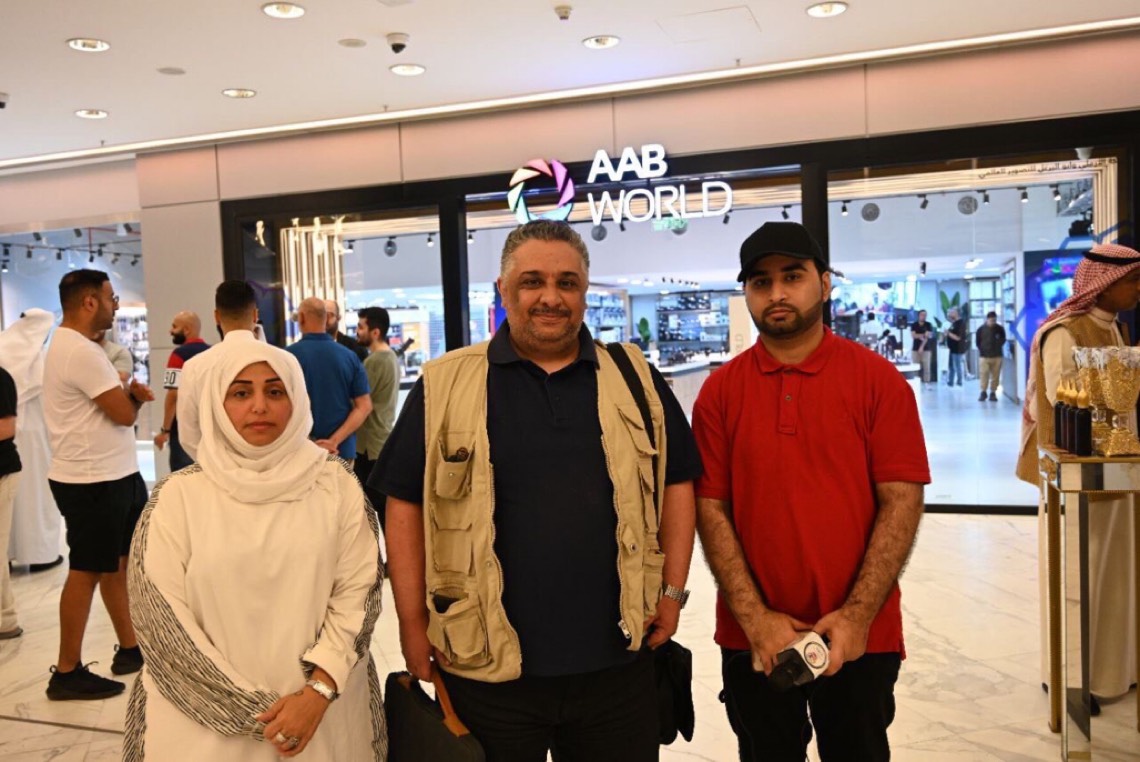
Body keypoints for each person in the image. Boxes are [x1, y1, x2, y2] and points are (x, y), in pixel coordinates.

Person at [371, 220, 701, 762]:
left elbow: (677, 482)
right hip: (485, 667)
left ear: (584, 292)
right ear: (503, 290)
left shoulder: (634, 378)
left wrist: (672, 593)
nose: (551, 297)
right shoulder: (445, 384)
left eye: (567, 282)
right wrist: (411, 623)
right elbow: (403, 504)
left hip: (619, 664)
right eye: (532, 282)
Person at [692, 221, 929, 762]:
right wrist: (756, 620)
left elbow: (902, 501)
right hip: (753, 637)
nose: (776, 293)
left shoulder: (879, 382)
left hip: (862, 633)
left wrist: (855, 616)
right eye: (760, 281)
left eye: (792, 276)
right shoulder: (719, 392)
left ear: (824, 284)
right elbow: (711, 509)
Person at [124, 341, 387, 760]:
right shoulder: (179, 497)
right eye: (241, 392)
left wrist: (317, 693)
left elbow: (358, 594)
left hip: (323, 718)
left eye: (275, 391)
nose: (260, 406)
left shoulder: (335, 485)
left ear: (296, 398)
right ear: (216, 403)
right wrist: (262, 715)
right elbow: (161, 620)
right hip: (202, 732)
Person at [1016, 242, 1139, 707]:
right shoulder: (1064, 332)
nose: (1138, 289)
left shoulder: (1117, 329)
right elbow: (1063, 398)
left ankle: (1113, 672)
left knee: (1117, 575)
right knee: (1077, 579)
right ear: (1103, 285)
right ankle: (1069, 678)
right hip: (1076, 478)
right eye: (1133, 280)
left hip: (1117, 471)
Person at [43, 269, 154, 700]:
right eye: (111, 297)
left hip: (111, 474)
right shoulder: (79, 351)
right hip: (91, 480)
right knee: (86, 570)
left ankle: (129, 649)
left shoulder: (77, 346)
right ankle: (66, 672)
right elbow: (122, 415)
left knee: (116, 565)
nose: (116, 305)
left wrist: (129, 399)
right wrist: (136, 398)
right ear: (90, 302)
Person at [0, 309, 63, 571]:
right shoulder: (42, 358)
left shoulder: (3, 350)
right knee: (37, 496)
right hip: (36, 438)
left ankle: (7, 555)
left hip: (7, 438)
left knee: (7, 502)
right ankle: (39, 555)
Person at [178, 280, 262, 461]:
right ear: (255, 315)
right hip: (275, 470)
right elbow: (300, 421)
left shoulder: (194, 366)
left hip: (216, 469)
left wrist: (217, 463)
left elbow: (188, 434)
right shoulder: (285, 360)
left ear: (216, 316)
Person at [286, 298, 372, 463]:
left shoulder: (287, 357)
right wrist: (334, 441)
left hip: (299, 452)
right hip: (341, 450)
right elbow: (364, 406)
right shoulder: (350, 357)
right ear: (325, 319)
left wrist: (310, 443)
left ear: (301, 318)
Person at [354, 307, 400, 532]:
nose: (357, 331)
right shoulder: (391, 357)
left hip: (370, 446)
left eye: (361, 327)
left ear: (375, 332)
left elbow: (361, 401)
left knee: (370, 509)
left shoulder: (375, 362)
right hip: (381, 439)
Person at [154, 311, 210, 471]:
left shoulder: (178, 355)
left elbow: (173, 395)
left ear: (186, 330)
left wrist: (165, 430)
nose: (170, 331)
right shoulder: (213, 353)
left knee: (184, 478)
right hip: (209, 427)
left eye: (174, 327)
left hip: (184, 431)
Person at [0, 364, 22, 640]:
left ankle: (6, 618)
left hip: (3, 473)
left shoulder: (1, 378)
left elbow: (7, 428)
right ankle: (5, 618)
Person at [975, 311, 1006, 402]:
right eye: (991, 320)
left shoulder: (1000, 329)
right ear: (987, 319)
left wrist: (997, 346)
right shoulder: (980, 329)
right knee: (984, 374)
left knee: (996, 375)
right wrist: (982, 350)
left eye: (995, 320)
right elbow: (977, 342)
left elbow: (1003, 339)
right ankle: (983, 392)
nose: (993, 322)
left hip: (997, 356)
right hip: (984, 356)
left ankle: (993, 392)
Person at [909, 310, 934, 386]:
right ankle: (916, 383)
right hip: (915, 349)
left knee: (926, 367)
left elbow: (928, 336)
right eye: (922, 315)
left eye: (925, 315)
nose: (924, 316)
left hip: (926, 349)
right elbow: (913, 336)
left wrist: (921, 347)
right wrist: (923, 335)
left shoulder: (928, 325)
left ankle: (927, 382)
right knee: (915, 366)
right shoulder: (914, 325)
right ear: (919, 315)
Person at [945, 307, 967, 387]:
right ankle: (951, 381)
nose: (950, 314)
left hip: (958, 348)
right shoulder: (953, 323)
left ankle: (959, 381)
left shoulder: (961, 323)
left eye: (952, 312)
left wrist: (948, 333)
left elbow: (958, 338)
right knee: (951, 366)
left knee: (957, 365)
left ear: (956, 313)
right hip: (951, 348)